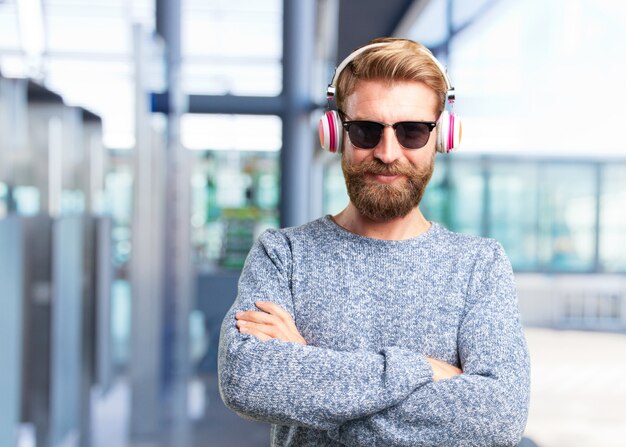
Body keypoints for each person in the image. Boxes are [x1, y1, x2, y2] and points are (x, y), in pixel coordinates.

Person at [218, 37, 530, 446]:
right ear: (336, 134)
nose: (387, 152)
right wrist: (422, 370)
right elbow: (247, 381)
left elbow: (498, 418)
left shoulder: (479, 264)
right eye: (366, 130)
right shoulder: (283, 254)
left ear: (442, 136)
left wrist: (309, 371)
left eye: (413, 131)